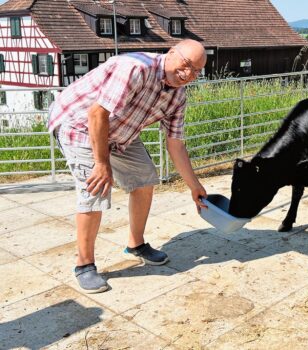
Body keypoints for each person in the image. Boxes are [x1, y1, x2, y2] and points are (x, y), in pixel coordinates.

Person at [48, 39, 208, 293]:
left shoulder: (177, 97)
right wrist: (101, 164)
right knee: (96, 189)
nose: (189, 74)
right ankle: (84, 264)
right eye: (186, 64)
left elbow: (175, 144)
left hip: (120, 132)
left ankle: (136, 244)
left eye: (197, 70)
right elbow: (96, 114)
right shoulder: (134, 68)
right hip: (78, 124)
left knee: (145, 178)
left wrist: (194, 186)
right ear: (171, 53)